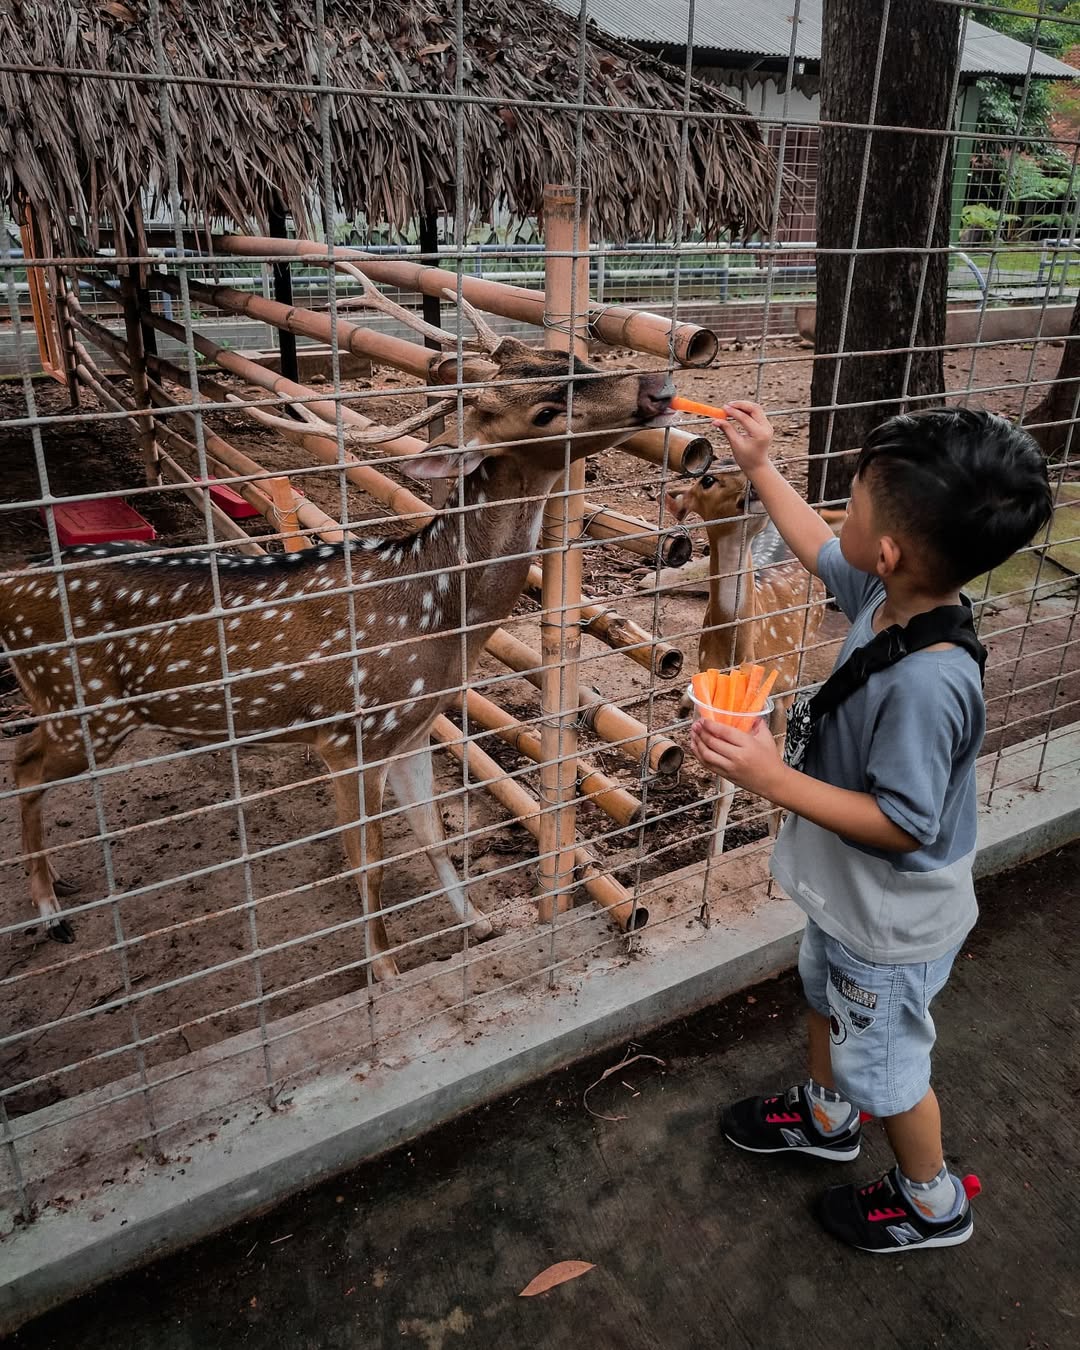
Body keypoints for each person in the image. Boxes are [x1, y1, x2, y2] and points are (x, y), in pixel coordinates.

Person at [690, 401, 1053, 1252]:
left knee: (890, 1072)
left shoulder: (928, 682)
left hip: (890, 926)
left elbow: (904, 825)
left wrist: (772, 779)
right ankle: (827, 1117)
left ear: (887, 551)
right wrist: (760, 465)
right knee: (824, 996)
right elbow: (819, 548)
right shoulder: (893, 598)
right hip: (849, 901)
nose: (837, 520)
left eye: (850, 505)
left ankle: (931, 1201)